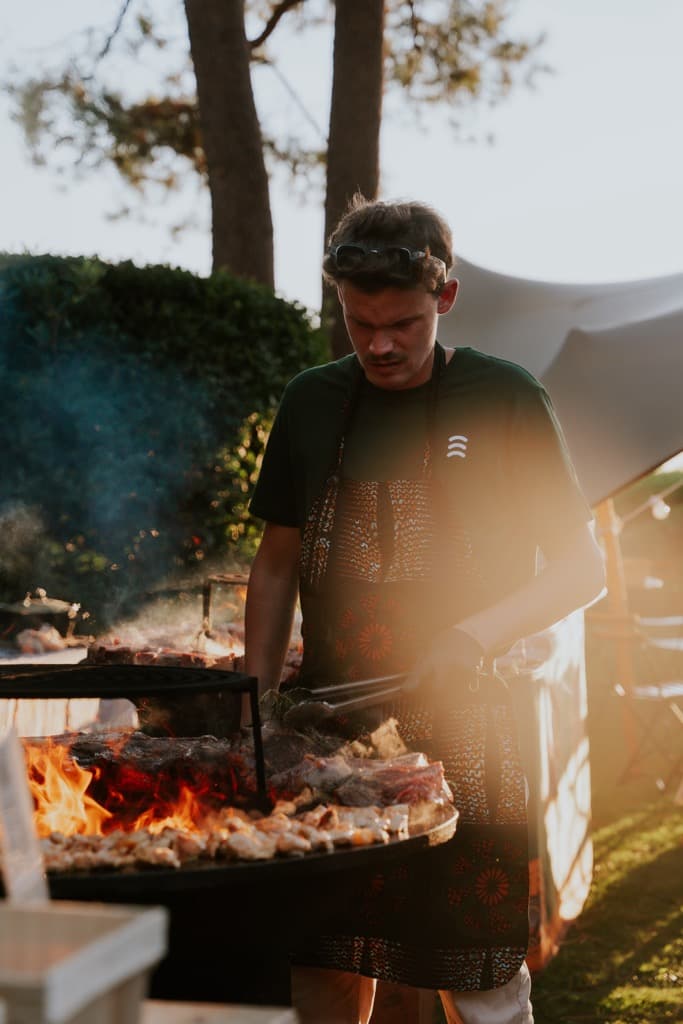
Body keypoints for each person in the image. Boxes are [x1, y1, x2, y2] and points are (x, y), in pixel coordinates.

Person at [245, 195, 606, 1024]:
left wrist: (471, 633)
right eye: (357, 320)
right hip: (326, 741)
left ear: (443, 298)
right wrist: (253, 708)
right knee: (322, 967)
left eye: (401, 323)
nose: (378, 343)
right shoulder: (310, 401)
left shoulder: (505, 397)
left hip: (470, 745)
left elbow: (582, 568)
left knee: (475, 978)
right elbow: (274, 570)